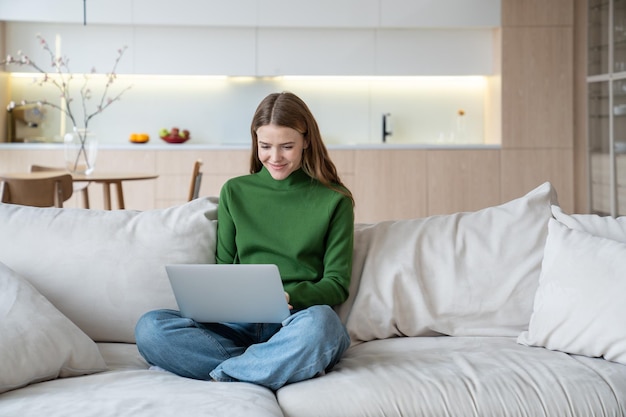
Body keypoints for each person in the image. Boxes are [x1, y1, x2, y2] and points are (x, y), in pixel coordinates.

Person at [134, 91, 355, 391]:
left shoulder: (334, 199)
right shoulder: (235, 192)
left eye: (287, 147)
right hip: (236, 324)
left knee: (324, 326)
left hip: (296, 323)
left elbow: (337, 284)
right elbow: (225, 268)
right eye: (265, 146)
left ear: (306, 141)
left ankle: (233, 371)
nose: (274, 158)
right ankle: (270, 366)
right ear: (255, 142)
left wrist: (287, 296)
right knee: (150, 328)